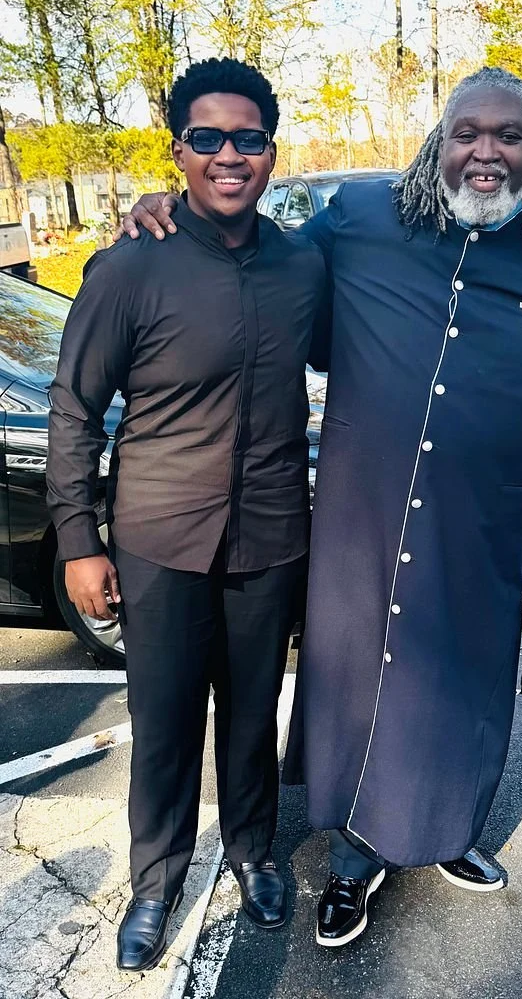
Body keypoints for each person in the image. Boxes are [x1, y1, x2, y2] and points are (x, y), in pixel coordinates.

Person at [121, 65, 522, 949]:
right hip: (358, 522)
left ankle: (443, 830)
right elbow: (257, 257)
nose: (485, 151)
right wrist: (170, 209)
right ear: (439, 140)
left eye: (507, 136)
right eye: (467, 132)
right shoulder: (363, 221)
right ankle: (355, 860)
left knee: (461, 695)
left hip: (477, 535)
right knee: (360, 687)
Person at [47, 57, 326, 971]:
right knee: (164, 723)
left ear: (271, 153)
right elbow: (74, 411)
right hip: (159, 538)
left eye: (247, 138)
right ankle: (157, 879)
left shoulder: (303, 268)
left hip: (271, 537)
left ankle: (252, 853)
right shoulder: (131, 267)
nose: (228, 155)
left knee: (252, 718)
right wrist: (80, 545)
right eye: (207, 139)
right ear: (180, 152)